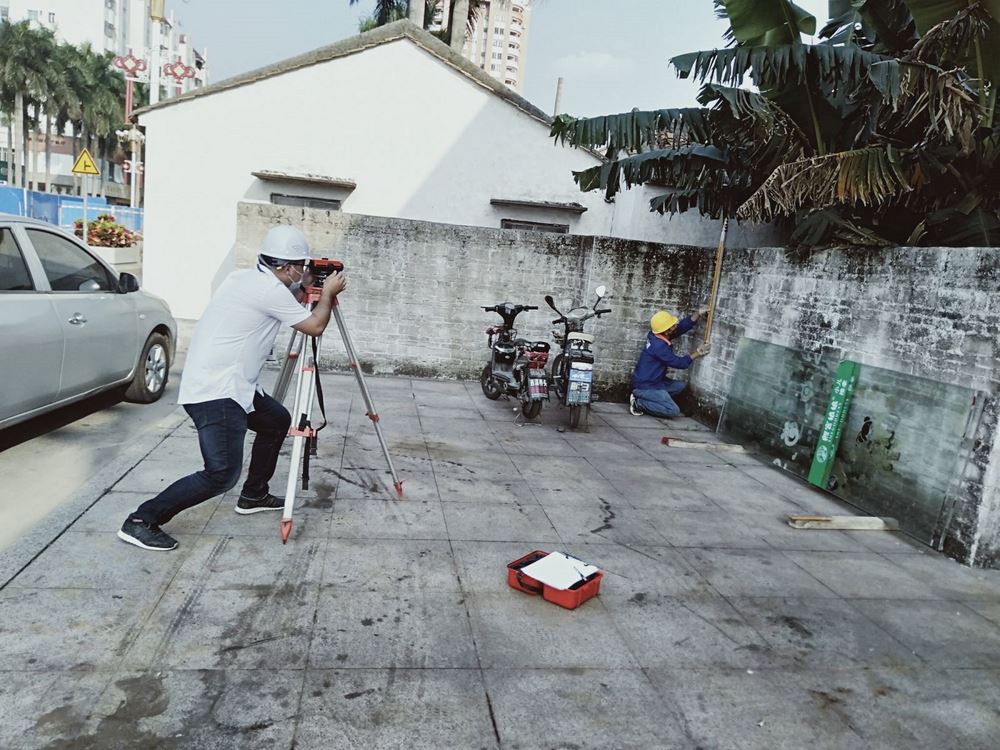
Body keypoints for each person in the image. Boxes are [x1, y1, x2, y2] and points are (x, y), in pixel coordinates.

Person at [117, 225, 347, 551]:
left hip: (234, 383)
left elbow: (286, 301)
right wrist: (326, 295)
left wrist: (306, 287)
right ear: (284, 267)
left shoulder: (243, 278)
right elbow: (315, 325)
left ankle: (254, 494)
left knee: (276, 420)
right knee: (221, 473)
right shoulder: (270, 291)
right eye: (301, 266)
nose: (304, 271)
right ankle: (141, 520)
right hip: (217, 390)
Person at [629, 308, 710, 418]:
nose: (675, 325)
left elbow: (681, 327)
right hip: (645, 386)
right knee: (672, 410)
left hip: (655, 382)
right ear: (667, 331)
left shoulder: (656, 335)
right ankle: (638, 403)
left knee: (679, 386)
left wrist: (698, 314)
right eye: (672, 325)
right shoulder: (659, 347)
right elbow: (679, 363)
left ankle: (653, 399)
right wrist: (698, 352)